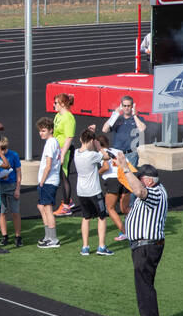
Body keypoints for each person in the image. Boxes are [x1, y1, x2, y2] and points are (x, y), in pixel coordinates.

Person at [120, 163, 168, 316]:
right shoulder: (155, 189)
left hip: (147, 246)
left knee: (145, 285)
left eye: (140, 179)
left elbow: (139, 191)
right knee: (143, 284)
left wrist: (125, 168)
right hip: (144, 246)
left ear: (148, 181)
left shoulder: (154, 192)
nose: (137, 182)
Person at [101, 95, 147, 213]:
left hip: (131, 154)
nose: (126, 108)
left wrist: (135, 114)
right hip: (117, 155)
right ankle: (111, 207)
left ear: (132, 106)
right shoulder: (117, 119)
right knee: (115, 179)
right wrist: (114, 114)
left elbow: (142, 129)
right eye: (124, 106)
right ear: (121, 106)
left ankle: (130, 206)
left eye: (129, 106)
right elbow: (104, 129)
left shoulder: (137, 118)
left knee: (130, 180)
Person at [73, 128, 113, 256]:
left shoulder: (75, 153)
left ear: (80, 139)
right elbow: (106, 157)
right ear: (91, 141)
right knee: (102, 217)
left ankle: (85, 247)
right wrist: (98, 146)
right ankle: (101, 246)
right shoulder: (92, 155)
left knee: (86, 217)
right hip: (94, 191)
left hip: (81, 191)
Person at [34, 117, 63, 249]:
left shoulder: (51, 143)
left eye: (43, 130)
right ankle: (48, 237)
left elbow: (49, 165)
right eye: (40, 131)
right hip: (48, 181)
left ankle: (53, 239)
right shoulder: (52, 142)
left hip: (48, 181)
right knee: (42, 207)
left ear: (50, 130)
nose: (41, 133)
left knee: (48, 209)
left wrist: (42, 181)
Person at [52, 92, 77, 215]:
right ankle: (68, 200)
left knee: (63, 176)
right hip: (57, 150)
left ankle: (66, 206)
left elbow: (69, 137)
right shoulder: (58, 116)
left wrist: (62, 154)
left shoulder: (68, 117)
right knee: (60, 176)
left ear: (62, 104)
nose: (54, 105)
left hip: (64, 150)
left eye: (56, 103)